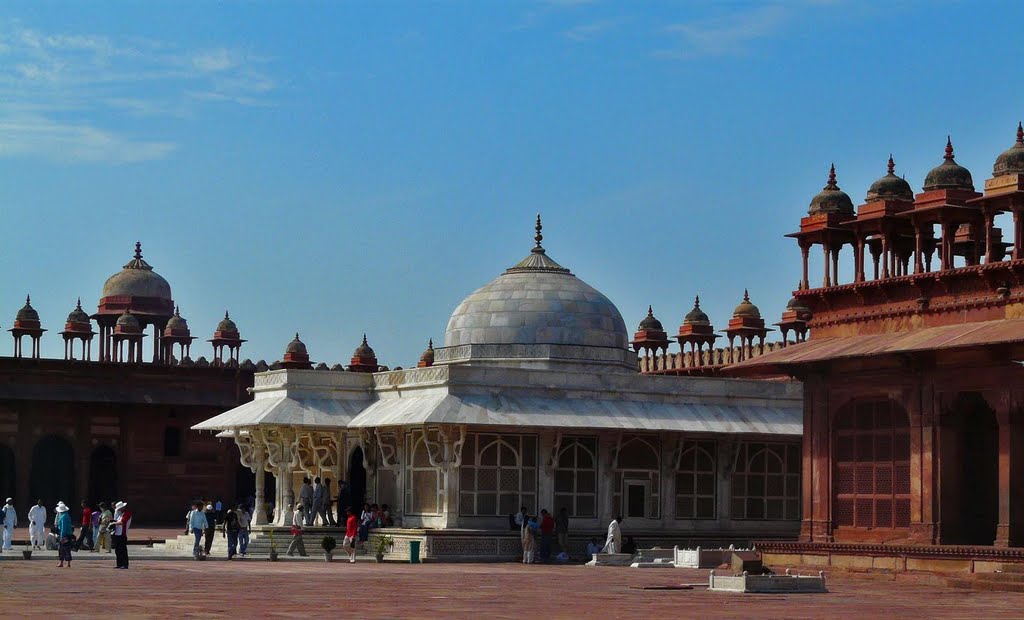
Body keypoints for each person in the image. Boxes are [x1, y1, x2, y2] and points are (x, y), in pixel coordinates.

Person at [111, 500, 132, 569]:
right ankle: (119, 564)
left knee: (123, 550)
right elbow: (118, 521)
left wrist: (114, 524)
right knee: (117, 550)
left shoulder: (127, 513)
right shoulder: (120, 514)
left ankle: (125, 564)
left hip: (122, 534)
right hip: (117, 533)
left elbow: (123, 522)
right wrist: (114, 522)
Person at [55, 502, 74, 568]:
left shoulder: (63, 517)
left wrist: (62, 536)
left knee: (63, 548)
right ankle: (65, 562)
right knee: (66, 548)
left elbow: (63, 527)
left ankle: (64, 562)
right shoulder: (66, 515)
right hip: (67, 534)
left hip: (64, 535)